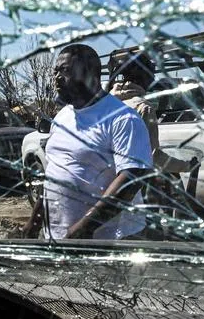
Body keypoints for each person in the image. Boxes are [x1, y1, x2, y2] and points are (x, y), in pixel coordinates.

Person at [27, 44, 152, 240]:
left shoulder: (122, 118)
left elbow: (131, 179)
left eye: (65, 71)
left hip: (110, 242)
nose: (57, 78)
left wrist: (82, 230)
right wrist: (34, 224)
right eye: (56, 72)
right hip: (61, 238)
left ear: (90, 74)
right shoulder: (62, 117)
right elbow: (53, 173)